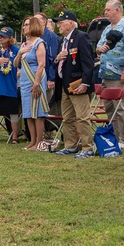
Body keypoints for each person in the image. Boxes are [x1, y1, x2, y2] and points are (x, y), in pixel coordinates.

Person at [95, 0, 124, 149]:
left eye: (108, 10)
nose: (105, 12)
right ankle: (114, 137)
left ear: (117, 10)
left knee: (122, 108)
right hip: (106, 73)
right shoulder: (107, 28)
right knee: (110, 108)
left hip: (120, 73)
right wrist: (99, 49)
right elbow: (98, 46)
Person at [53, 11, 96, 158]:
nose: (58, 25)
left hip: (78, 85)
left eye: (61, 22)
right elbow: (57, 63)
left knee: (82, 118)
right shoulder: (62, 41)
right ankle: (70, 145)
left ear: (71, 23)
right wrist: (57, 58)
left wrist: (85, 82)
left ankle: (87, 147)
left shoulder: (81, 37)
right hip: (65, 85)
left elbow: (88, 63)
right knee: (67, 118)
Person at [15, 16, 49, 150]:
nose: (24, 27)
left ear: (34, 26)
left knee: (38, 112)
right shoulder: (24, 44)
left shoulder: (39, 43)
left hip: (35, 78)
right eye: (24, 25)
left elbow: (42, 65)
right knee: (28, 112)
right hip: (24, 80)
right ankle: (32, 141)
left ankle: (39, 141)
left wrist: (36, 83)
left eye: (27, 25)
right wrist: (19, 53)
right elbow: (16, 64)